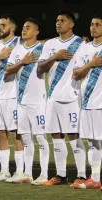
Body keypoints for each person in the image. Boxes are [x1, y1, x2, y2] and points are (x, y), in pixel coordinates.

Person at [37, 11, 87, 186]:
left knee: (73, 135)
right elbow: (41, 68)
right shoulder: (50, 44)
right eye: (57, 20)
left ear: (71, 24)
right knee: (56, 136)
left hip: (72, 97)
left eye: (62, 20)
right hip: (53, 97)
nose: (58, 23)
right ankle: (61, 175)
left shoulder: (80, 44)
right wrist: (55, 56)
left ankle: (81, 175)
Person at [5, 17, 49, 184]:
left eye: (28, 27)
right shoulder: (17, 50)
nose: (24, 30)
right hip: (21, 100)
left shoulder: (43, 48)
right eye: (23, 27)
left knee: (40, 137)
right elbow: (8, 70)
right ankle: (28, 174)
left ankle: (44, 174)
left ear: (36, 32)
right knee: (26, 138)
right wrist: (22, 62)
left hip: (38, 100)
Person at [0, 14, 24, 182]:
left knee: (16, 133)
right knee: (1, 132)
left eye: (3, 25)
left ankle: (20, 171)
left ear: (12, 28)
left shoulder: (19, 43)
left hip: (14, 95)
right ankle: (5, 171)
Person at [72, 15, 102, 190]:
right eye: (92, 24)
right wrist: (92, 63)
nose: (94, 27)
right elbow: (76, 74)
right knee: (93, 141)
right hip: (88, 102)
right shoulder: (84, 49)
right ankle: (95, 179)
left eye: (98, 24)